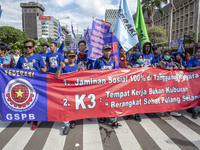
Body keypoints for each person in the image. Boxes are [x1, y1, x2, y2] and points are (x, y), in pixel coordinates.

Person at [15, 40, 46, 130]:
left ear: (33, 48)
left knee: (35, 102)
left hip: (35, 84)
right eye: (26, 47)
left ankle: (35, 120)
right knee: (26, 101)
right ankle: (29, 116)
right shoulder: (21, 58)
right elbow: (16, 71)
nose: (27, 49)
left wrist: (43, 69)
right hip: (24, 84)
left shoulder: (38, 57)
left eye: (29, 47)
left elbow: (44, 68)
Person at [93, 44, 122, 128]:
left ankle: (114, 119)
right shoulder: (98, 61)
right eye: (105, 50)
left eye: (109, 50)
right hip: (101, 86)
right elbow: (93, 72)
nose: (107, 52)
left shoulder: (113, 61)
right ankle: (102, 116)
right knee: (102, 101)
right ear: (102, 51)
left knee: (112, 102)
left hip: (111, 86)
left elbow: (118, 71)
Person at [55, 50, 79, 135]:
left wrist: (83, 71)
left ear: (75, 57)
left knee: (74, 107)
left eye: (73, 56)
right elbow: (56, 77)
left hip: (75, 91)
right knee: (65, 108)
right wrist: (60, 68)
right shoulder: (64, 66)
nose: (71, 58)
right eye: (70, 56)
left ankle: (73, 120)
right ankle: (66, 125)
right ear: (67, 56)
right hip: (66, 92)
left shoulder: (77, 67)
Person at [157, 50, 182, 118]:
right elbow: (157, 70)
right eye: (166, 54)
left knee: (172, 96)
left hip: (172, 83)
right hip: (164, 82)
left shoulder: (174, 63)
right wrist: (165, 69)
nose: (167, 55)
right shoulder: (161, 63)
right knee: (163, 96)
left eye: (168, 54)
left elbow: (182, 68)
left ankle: (173, 110)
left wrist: (177, 68)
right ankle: (162, 110)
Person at [127, 52, 144, 122]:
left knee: (138, 100)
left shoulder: (143, 65)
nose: (141, 59)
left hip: (139, 85)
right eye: (139, 57)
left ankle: (137, 114)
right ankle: (130, 113)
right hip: (131, 85)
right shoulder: (131, 64)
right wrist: (127, 68)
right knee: (130, 99)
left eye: (141, 57)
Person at [186, 48, 200, 119]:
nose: (199, 53)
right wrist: (198, 68)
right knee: (195, 95)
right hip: (194, 82)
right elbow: (188, 69)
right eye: (198, 52)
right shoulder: (192, 60)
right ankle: (194, 112)